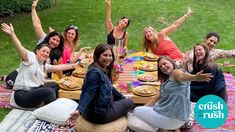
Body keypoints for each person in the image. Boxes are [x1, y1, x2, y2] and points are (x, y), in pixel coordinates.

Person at [1, 23, 78, 108]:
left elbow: (59, 67)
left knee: (55, 85)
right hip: (22, 96)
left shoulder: (43, 64)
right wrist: (12, 34)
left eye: (47, 53)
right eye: (43, 51)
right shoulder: (30, 58)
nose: (45, 54)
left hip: (33, 91)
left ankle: (47, 102)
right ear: (37, 51)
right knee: (49, 92)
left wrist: (75, 65)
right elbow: (19, 47)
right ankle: (52, 108)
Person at [128, 56, 212, 131]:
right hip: (175, 116)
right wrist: (145, 109)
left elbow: (182, 76)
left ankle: (158, 128)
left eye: (165, 63)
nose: (163, 67)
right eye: (161, 67)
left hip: (172, 118)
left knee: (135, 112)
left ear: (172, 62)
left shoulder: (176, 73)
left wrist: (194, 77)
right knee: (141, 112)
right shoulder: (170, 79)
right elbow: (156, 98)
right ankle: (162, 128)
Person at [66, 44, 133, 126]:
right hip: (99, 115)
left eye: (110, 55)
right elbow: (89, 92)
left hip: (91, 110)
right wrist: (79, 110)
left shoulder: (98, 68)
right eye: (105, 55)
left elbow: (110, 87)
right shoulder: (95, 73)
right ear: (97, 56)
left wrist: (122, 98)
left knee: (122, 99)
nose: (108, 58)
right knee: (130, 101)